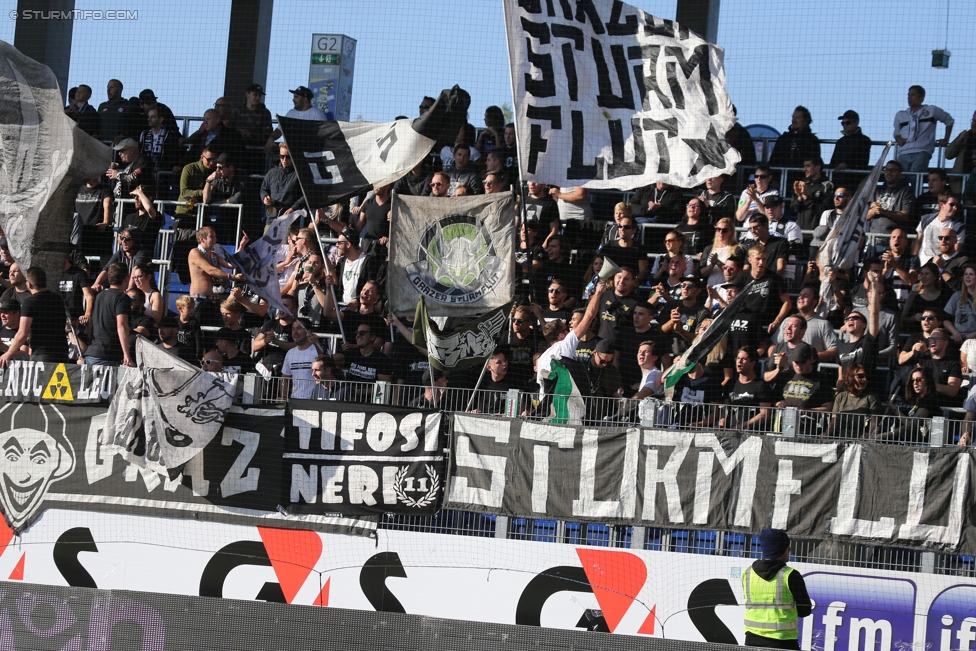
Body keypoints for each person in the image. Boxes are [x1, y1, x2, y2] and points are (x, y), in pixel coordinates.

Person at [742, 527, 812, 650]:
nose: (789, 550)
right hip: (783, 641)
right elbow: (805, 611)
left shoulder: (747, 573)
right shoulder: (791, 575)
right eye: (787, 547)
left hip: (751, 640)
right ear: (783, 550)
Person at [0, 268, 70, 367]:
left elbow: (22, 333)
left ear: (29, 284)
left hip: (42, 354)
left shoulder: (29, 302)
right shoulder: (58, 299)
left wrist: (9, 353)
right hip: (62, 352)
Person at [188, 226, 245, 325]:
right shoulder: (195, 252)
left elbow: (231, 264)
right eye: (212, 237)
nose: (215, 239)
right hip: (199, 300)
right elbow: (210, 270)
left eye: (215, 236)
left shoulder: (213, 255)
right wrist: (233, 277)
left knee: (213, 333)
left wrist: (241, 246)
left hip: (214, 300)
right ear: (202, 239)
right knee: (197, 332)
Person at [775, 343, 834, 435]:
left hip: (808, 431)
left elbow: (828, 408)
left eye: (802, 362)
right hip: (783, 429)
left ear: (811, 359)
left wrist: (806, 411)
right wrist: (779, 403)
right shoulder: (785, 376)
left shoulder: (821, 379)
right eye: (796, 362)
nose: (798, 366)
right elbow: (773, 400)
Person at [893, 85, 954, 172]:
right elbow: (896, 130)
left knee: (915, 178)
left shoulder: (932, 111)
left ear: (921, 97)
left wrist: (946, 139)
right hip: (903, 152)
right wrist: (898, 138)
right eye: (908, 95)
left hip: (922, 151)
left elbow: (949, 121)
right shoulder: (901, 115)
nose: (909, 98)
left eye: (913, 95)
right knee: (900, 179)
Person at [84, 263, 133, 367]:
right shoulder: (122, 298)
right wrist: (126, 354)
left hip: (92, 352)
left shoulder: (99, 296)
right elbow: (122, 324)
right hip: (108, 355)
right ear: (126, 279)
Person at [719, 346, 773, 430]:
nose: (739, 361)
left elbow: (765, 414)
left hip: (752, 434)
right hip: (730, 431)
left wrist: (742, 426)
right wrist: (722, 422)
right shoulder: (731, 384)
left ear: (752, 363)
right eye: (738, 358)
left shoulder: (761, 385)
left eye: (744, 359)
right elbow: (725, 409)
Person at [884, 366, 940, 443]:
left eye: (919, 380)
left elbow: (912, 426)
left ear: (927, 381)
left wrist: (885, 435)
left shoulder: (929, 399)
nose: (915, 383)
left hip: (926, 444)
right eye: (912, 380)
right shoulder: (918, 400)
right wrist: (894, 409)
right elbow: (910, 422)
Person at [264, 86, 327, 152]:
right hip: (291, 154)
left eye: (296, 97)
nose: (293, 100)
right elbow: (280, 130)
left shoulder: (318, 114)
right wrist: (271, 138)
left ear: (305, 99)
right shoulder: (291, 113)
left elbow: (325, 136)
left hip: (310, 153)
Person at [825, 364, 881, 438]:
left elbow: (874, 422)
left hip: (860, 439)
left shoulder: (871, 398)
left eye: (867, 377)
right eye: (860, 376)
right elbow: (833, 421)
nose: (864, 379)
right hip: (840, 437)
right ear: (850, 377)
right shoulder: (841, 397)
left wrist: (868, 434)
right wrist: (826, 433)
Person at [768, 106, 821, 178]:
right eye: (793, 117)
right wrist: (773, 179)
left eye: (797, 118)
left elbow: (814, 162)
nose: (793, 120)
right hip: (781, 179)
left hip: (802, 180)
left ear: (805, 121)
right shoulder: (783, 138)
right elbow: (773, 160)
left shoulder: (812, 140)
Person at [914, 191, 965, 265]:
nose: (955, 208)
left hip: (942, 267)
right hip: (922, 265)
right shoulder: (926, 219)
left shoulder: (958, 227)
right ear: (942, 204)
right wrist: (913, 264)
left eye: (956, 205)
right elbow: (917, 242)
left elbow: (955, 252)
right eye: (952, 204)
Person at [867, 161, 913, 234]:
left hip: (895, 239)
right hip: (874, 238)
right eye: (886, 170)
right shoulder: (876, 190)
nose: (889, 173)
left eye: (893, 170)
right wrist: (874, 211)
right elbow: (865, 216)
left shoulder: (906, 191)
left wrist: (883, 211)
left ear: (900, 173)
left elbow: (905, 216)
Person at [260, 144, 305, 217]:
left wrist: (293, 208)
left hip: (290, 218)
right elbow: (264, 188)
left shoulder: (299, 174)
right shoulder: (272, 172)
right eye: (282, 156)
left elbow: (305, 195)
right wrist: (265, 197)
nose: (284, 160)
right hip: (271, 217)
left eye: (288, 157)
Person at [790, 157, 834, 231]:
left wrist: (806, 197)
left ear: (817, 168)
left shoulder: (828, 186)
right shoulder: (801, 184)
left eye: (808, 166)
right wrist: (800, 198)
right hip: (800, 231)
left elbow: (825, 212)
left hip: (818, 233)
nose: (804, 169)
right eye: (804, 166)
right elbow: (793, 210)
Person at [922, 327, 963, 408]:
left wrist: (928, 384)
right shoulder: (923, 361)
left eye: (937, 339)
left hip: (942, 407)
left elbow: (952, 390)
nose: (933, 341)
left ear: (945, 342)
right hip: (922, 404)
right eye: (931, 338)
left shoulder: (953, 364)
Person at [281, 319, 320, 399]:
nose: (295, 332)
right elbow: (285, 379)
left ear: (308, 331)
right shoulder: (290, 353)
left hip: (315, 401)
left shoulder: (317, 350)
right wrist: (284, 397)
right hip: (295, 400)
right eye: (293, 329)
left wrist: (317, 343)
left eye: (299, 328)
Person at [882, 228, 920, 304]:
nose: (896, 240)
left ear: (906, 242)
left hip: (904, 303)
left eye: (900, 237)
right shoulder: (881, 258)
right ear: (890, 242)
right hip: (885, 303)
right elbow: (873, 282)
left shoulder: (912, 259)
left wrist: (895, 265)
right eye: (893, 237)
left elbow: (911, 281)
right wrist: (885, 271)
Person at [699, 218, 740, 287]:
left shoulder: (737, 249)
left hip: (727, 288)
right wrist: (712, 265)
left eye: (724, 230)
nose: (721, 232)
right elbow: (702, 272)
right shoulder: (709, 249)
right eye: (718, 229)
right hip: (709, 288)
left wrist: (717, 262)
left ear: (732, 232)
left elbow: (736, 272)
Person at [946, 110, 976, 179]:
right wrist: (959, 140)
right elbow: (948, 155)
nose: (974, 124)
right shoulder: (965, 136)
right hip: (959, 183)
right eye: (974, 121)